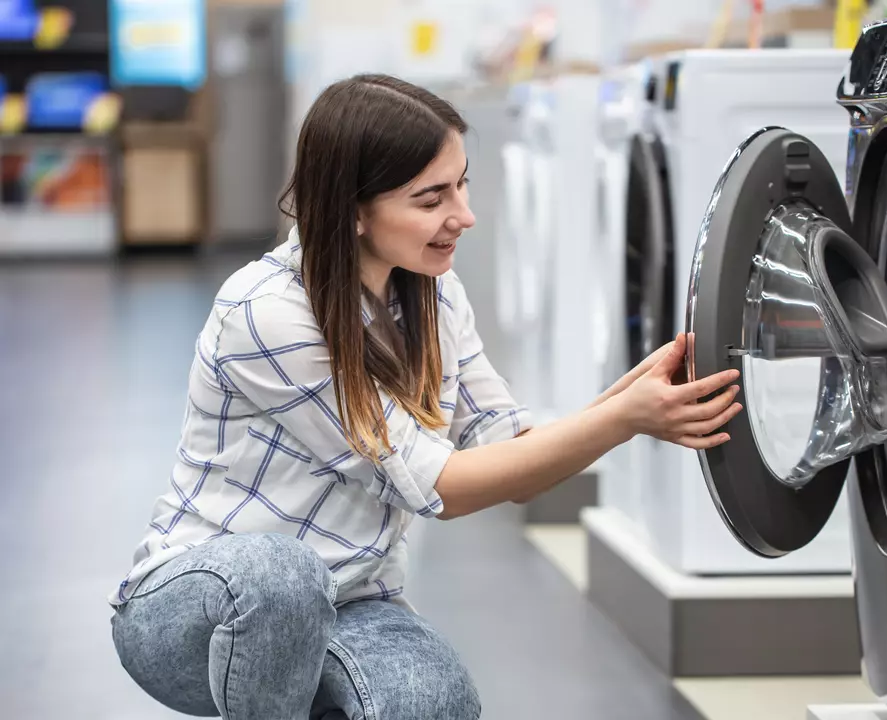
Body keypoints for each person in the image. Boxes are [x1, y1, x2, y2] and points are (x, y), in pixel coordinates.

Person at [108, 74, 742, 720]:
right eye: (431, 198)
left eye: (462, 185)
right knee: (283, 575)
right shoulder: (269, 312)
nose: (463, 216)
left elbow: (513, 457)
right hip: (198, 610)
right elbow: (441, 487)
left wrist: (626, 401)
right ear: (352, 210)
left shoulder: (435, 297)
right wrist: (622, 421)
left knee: (432, 701)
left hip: (351, 598)